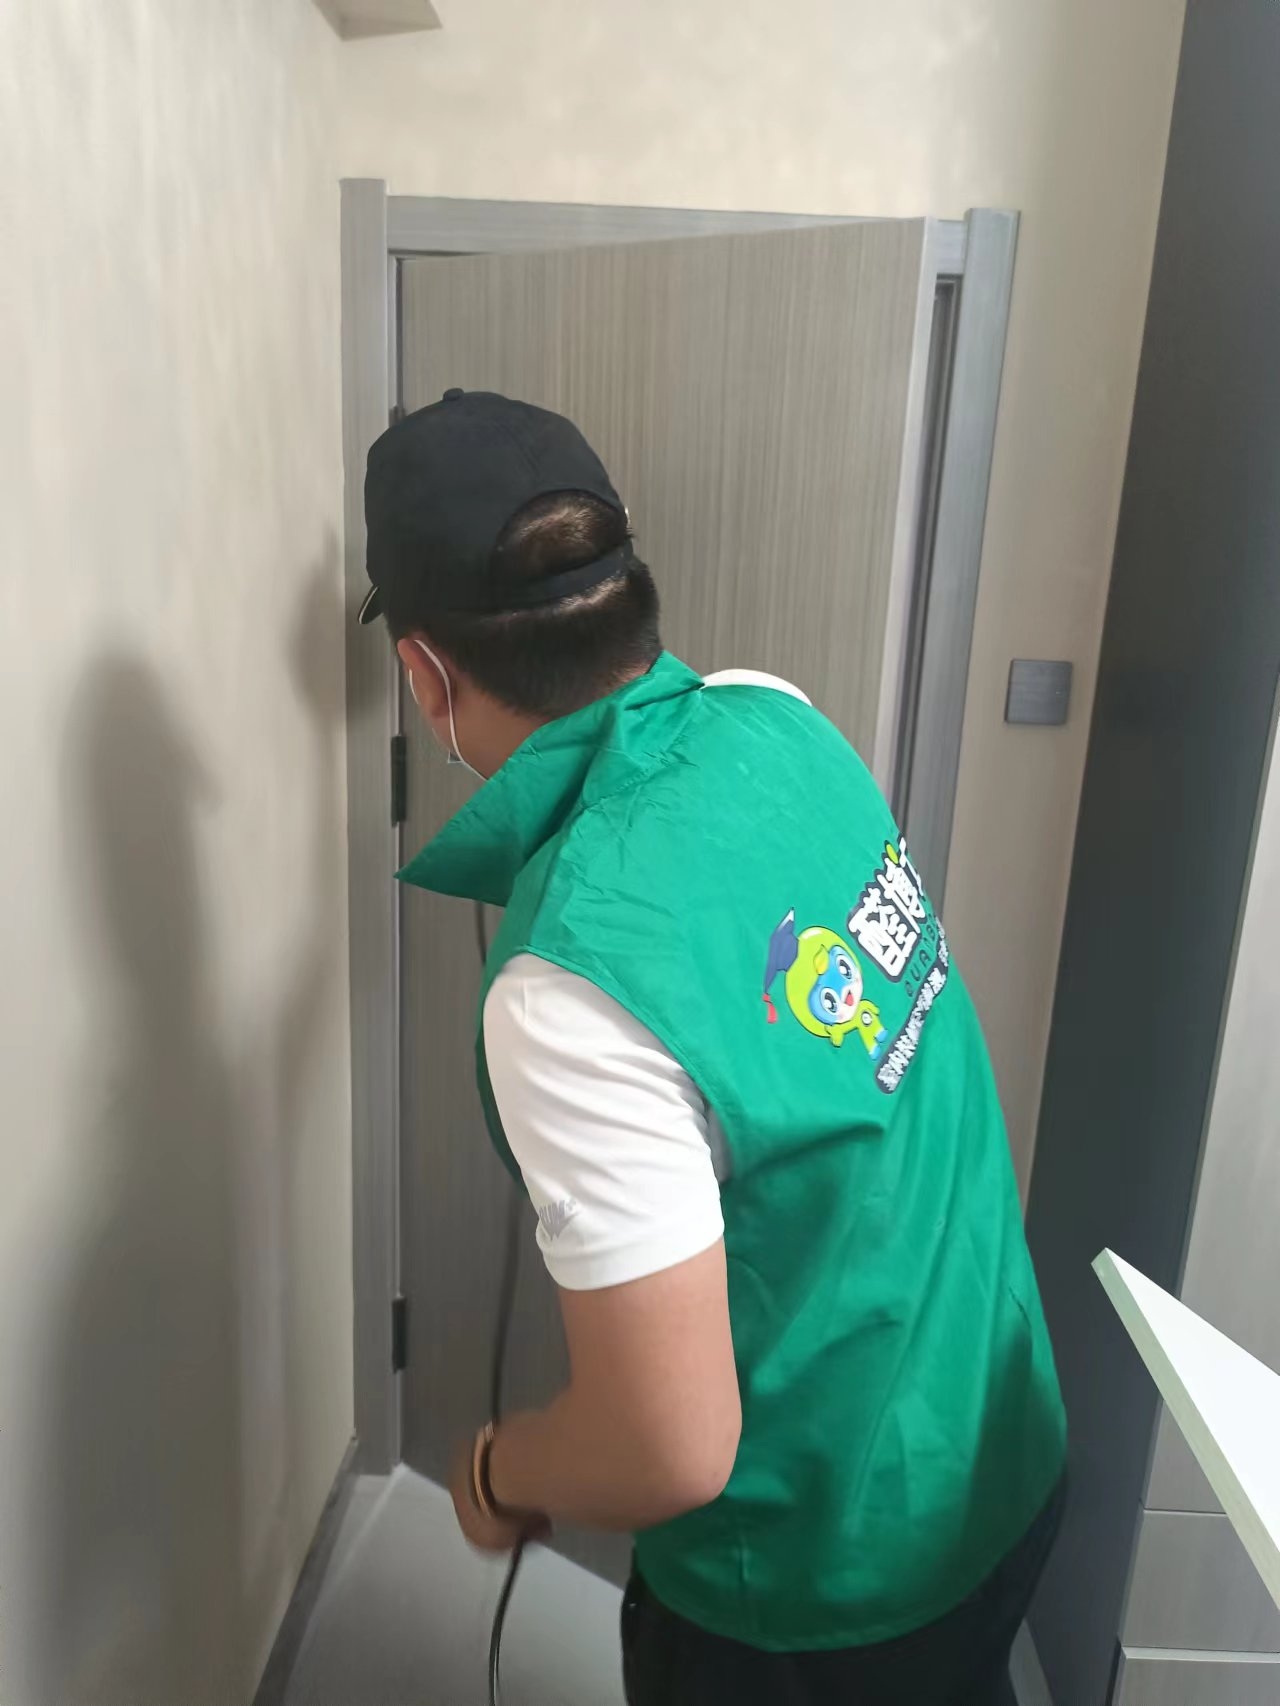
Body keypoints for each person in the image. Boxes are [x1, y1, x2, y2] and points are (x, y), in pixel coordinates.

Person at [359, 388, 1068, 1706]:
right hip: (998, 1436)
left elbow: (670, 1446)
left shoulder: (567, 988)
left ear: (426, 676)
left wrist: (499, 1470)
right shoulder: (771, 714)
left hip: (827, 1587)